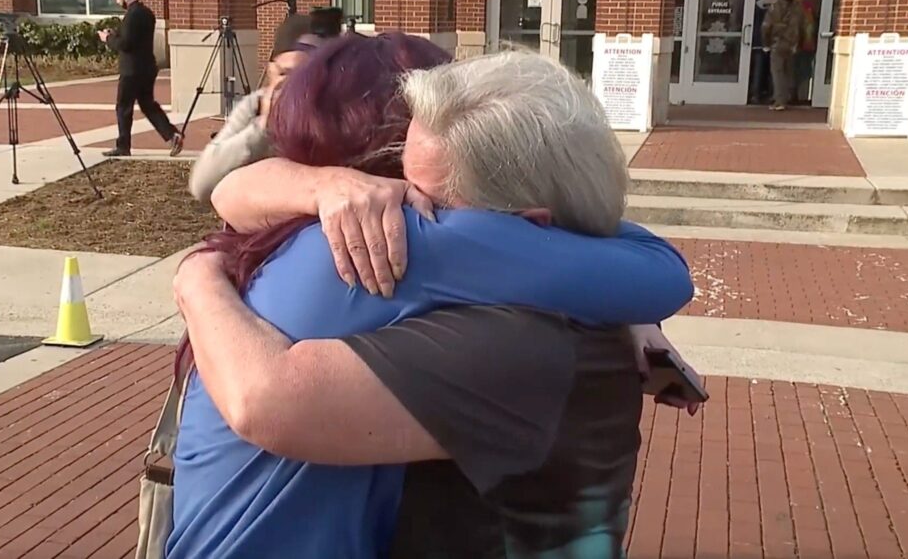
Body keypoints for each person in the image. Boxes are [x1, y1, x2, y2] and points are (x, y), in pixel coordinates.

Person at [169, 39, 694, 559]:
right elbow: (663, 273)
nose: (406, 196)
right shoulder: (395, 243)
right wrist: (615, 304)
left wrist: (199, 271)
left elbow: (226, 192)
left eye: (423, 192)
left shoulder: (294, 241)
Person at [188, 15, 320, 203]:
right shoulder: (254, 107)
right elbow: (201, 184)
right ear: (271, 70)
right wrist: (263, 127)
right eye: (285, 73)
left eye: (305, 76)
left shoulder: (341, 115)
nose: (293, 87)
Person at [99, 0, 183, 157]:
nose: (117, 1)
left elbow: (126, 45)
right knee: (148, 105)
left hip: (132, 70)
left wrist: (107, 38)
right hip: (147, 68)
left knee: (123, 107)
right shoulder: (147, 13)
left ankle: (123, 146)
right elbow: (135, 39)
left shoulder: (132, 15)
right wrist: (117, 34)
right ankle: (172, 135)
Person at [762, 0, 805, 111]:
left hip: (777, 42)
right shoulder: (798, 8)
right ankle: (789, 96)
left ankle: (780, 101)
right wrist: (798, 44)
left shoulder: (774, 7)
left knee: (777, 73)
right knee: (788, 72)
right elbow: (801, 27)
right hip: (792, 44)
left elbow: (766, 26)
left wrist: (766, 43)